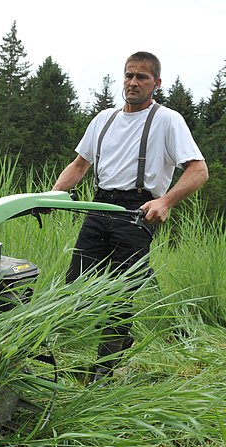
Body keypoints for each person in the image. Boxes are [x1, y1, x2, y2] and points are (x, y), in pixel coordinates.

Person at [51, 51, 208, 380]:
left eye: (142, 77)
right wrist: (52, 195)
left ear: (156, 83)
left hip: (138, 212)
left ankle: (103, 372)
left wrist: (165, 201)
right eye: (128, 75)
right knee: (73, 287)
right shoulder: (103, 120)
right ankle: (59, 355)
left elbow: (199, 171)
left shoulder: (167, 120)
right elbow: (80, 165)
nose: (133, 82)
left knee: (120, 296)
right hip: (99, 207)